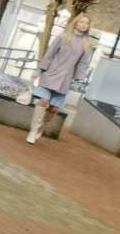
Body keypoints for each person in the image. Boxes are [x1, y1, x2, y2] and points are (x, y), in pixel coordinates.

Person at [27, 15, 95, 144]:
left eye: (87, 23)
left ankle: (40, 127)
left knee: (53, 109)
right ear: (75, 23)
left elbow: (83, 64)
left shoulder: (87, 44)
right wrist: (40, 70)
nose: (84, 24)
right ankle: (33, 130)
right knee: (42, 102)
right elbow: (50, 53)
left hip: (66, 79)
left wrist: (78, 79)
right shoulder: (63, 36)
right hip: (50, 74)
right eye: (81, 21)